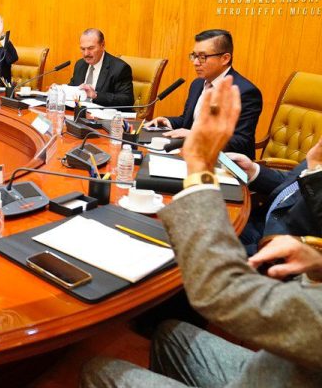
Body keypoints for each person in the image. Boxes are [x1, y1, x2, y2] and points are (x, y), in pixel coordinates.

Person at [81, 76, 322, 387]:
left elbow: (221, 292)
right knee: (169, 333)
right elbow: (292, 186)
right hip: (282, 367)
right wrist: (318, 266)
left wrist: (199, 166)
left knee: (98, 369)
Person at [147, 29, 262, 159]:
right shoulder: (197, 84)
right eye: (194, 56)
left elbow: (241, 142)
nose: (195, 62)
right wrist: (168, 121)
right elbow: (188, 121)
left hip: (223, 162)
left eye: (202, 57)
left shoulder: (244, 92)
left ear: (225, 58)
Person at [226, 141, 322, 255]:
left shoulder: (317, 159)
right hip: (260, 221)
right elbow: (292, 183)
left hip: (281, 250)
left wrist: (315, 170)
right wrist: (252, 171)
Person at [67, 28, 134, 106]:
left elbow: (127, 100)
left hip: (105, 112)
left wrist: (96, 95)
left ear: (102, 45)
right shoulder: (80, 64)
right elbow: (73, 88)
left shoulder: (119, 68)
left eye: (91, 48)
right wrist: (60, 91)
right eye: (83, 49)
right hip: (80, 110)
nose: (86, 53)